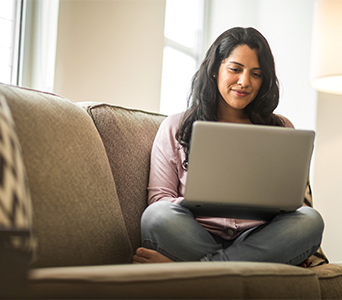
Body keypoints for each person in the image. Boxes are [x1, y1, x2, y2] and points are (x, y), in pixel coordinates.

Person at [133, 27, 324, 266]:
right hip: (196, 234)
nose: (244, 82)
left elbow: (292, 205)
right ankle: (232, 269)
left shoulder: (281, 128)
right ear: (215, 70)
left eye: (256, 74)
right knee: (156, 216)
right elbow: (160, 199)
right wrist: (196, 201)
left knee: (310, 220)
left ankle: (198, 272)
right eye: (235, 69)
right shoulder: (176, 126)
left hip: (258, 237)